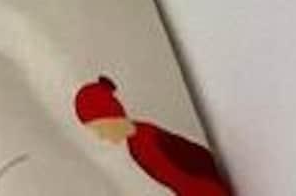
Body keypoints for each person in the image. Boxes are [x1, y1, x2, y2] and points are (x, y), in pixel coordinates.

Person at [74, 76, 230, 195]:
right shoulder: (135, 146)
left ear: (111, 116)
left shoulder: (147, 138)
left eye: (99, 128)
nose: (101, 136)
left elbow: (194, 171)